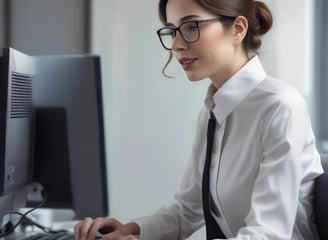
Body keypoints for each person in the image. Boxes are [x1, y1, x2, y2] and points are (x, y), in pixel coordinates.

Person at [74, 0, 324, 239]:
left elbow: (269, 234)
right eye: (172, 31)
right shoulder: (213, 111)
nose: (176, 45)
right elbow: (187, 210)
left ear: (237, 29)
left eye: (191, 26)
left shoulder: (280, 105)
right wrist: (132, 230)